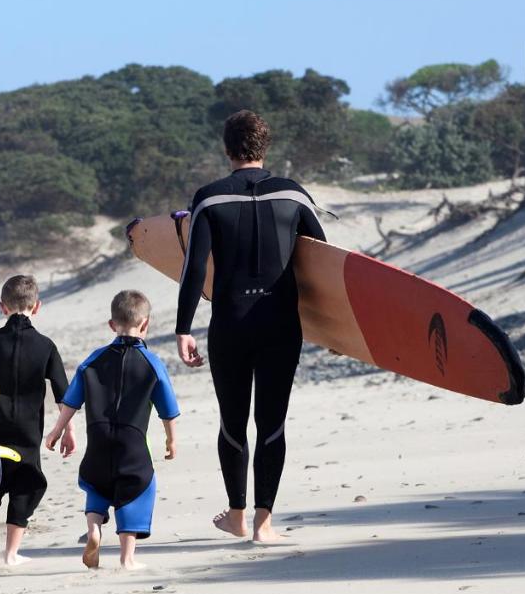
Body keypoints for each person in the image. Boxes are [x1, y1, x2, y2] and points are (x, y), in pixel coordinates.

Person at [175, 110, 326, 543]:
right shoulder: (295, 196)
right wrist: (337, 331)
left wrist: (183, 327)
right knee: (273, 422)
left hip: (230, 325)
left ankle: (237, 515)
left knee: (232, 422)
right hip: (281, 325)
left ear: (226, 149)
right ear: (266, 147)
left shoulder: (209, 198)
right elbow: (323, 264)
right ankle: (265, 524)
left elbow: (192, 270)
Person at [45, 290, 179, 570]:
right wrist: (171, 440)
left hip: (98, 438)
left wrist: (57, 430)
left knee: (97, 484)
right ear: (146, 324)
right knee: (137, 489)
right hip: (132, 444)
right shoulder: (153, 364)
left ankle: (94, 530)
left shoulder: (93, 360)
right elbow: (167, 407)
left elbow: (71, 400)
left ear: (111, 324)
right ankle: (127, 558)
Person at [0, 274, 75, 565]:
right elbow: (66, 394)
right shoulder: (46, 346)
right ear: (36, 307)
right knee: (27, 484)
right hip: (29, 433)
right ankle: (11, 553)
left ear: (3, 307)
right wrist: (65, 430)